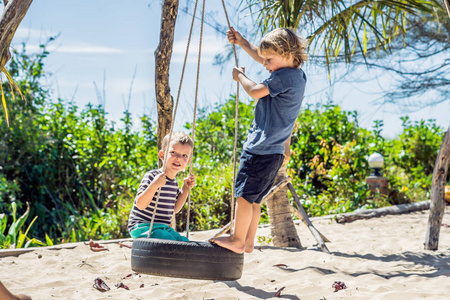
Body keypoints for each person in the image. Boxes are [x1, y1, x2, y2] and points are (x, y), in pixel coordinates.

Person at [210, 27, 308, 254]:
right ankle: (247, 241)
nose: (264, 64)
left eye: (268, 60)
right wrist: (243, 42)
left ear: (286, 54)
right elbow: (262, 55)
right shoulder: (296, 74)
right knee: (253, 201)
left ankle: (237, 238)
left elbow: (254, 91)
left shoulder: (283, 78)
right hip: (273, 152)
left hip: (260, 150)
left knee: (243, 197)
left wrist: (240, 76)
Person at [127, 132, 195, 241]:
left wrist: (185, 189)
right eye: (174, 152)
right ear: (162, 155)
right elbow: (140, 204)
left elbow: (175, 209)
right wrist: (154, 185)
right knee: (168, 240)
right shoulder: (152, 176)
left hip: (163, 229)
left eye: (184, 155)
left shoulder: (174, 183)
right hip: (142, 227)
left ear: (188, 160)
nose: (179, 158)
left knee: (183, 242)